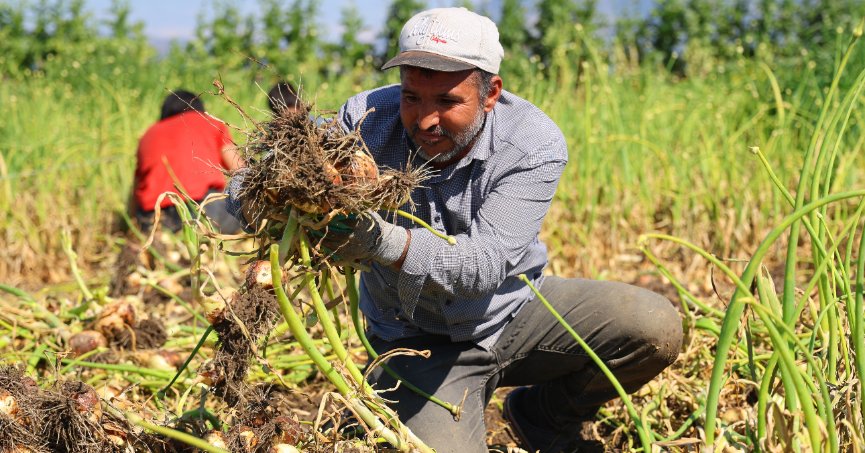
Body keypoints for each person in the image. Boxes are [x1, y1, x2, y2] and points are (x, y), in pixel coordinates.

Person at [229, 7, 682, 453]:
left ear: (490, 93)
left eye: (447, 102)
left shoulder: (531, 143)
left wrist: (381, 241)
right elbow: (272, 176)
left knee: (653, 326)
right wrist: (257, 192)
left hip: (510, 313)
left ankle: (541, 416)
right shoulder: (364, 118)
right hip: (415, 343)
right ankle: (396, 400)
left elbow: (482, 267)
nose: (425, 119)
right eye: (412, 97)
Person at [131, 90, 244, 234]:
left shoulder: (148, 134)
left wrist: (132, 226)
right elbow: (240, 171)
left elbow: (136, 188)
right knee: (244, 215)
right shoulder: (210, 122)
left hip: (154, 219)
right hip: (203, 211)